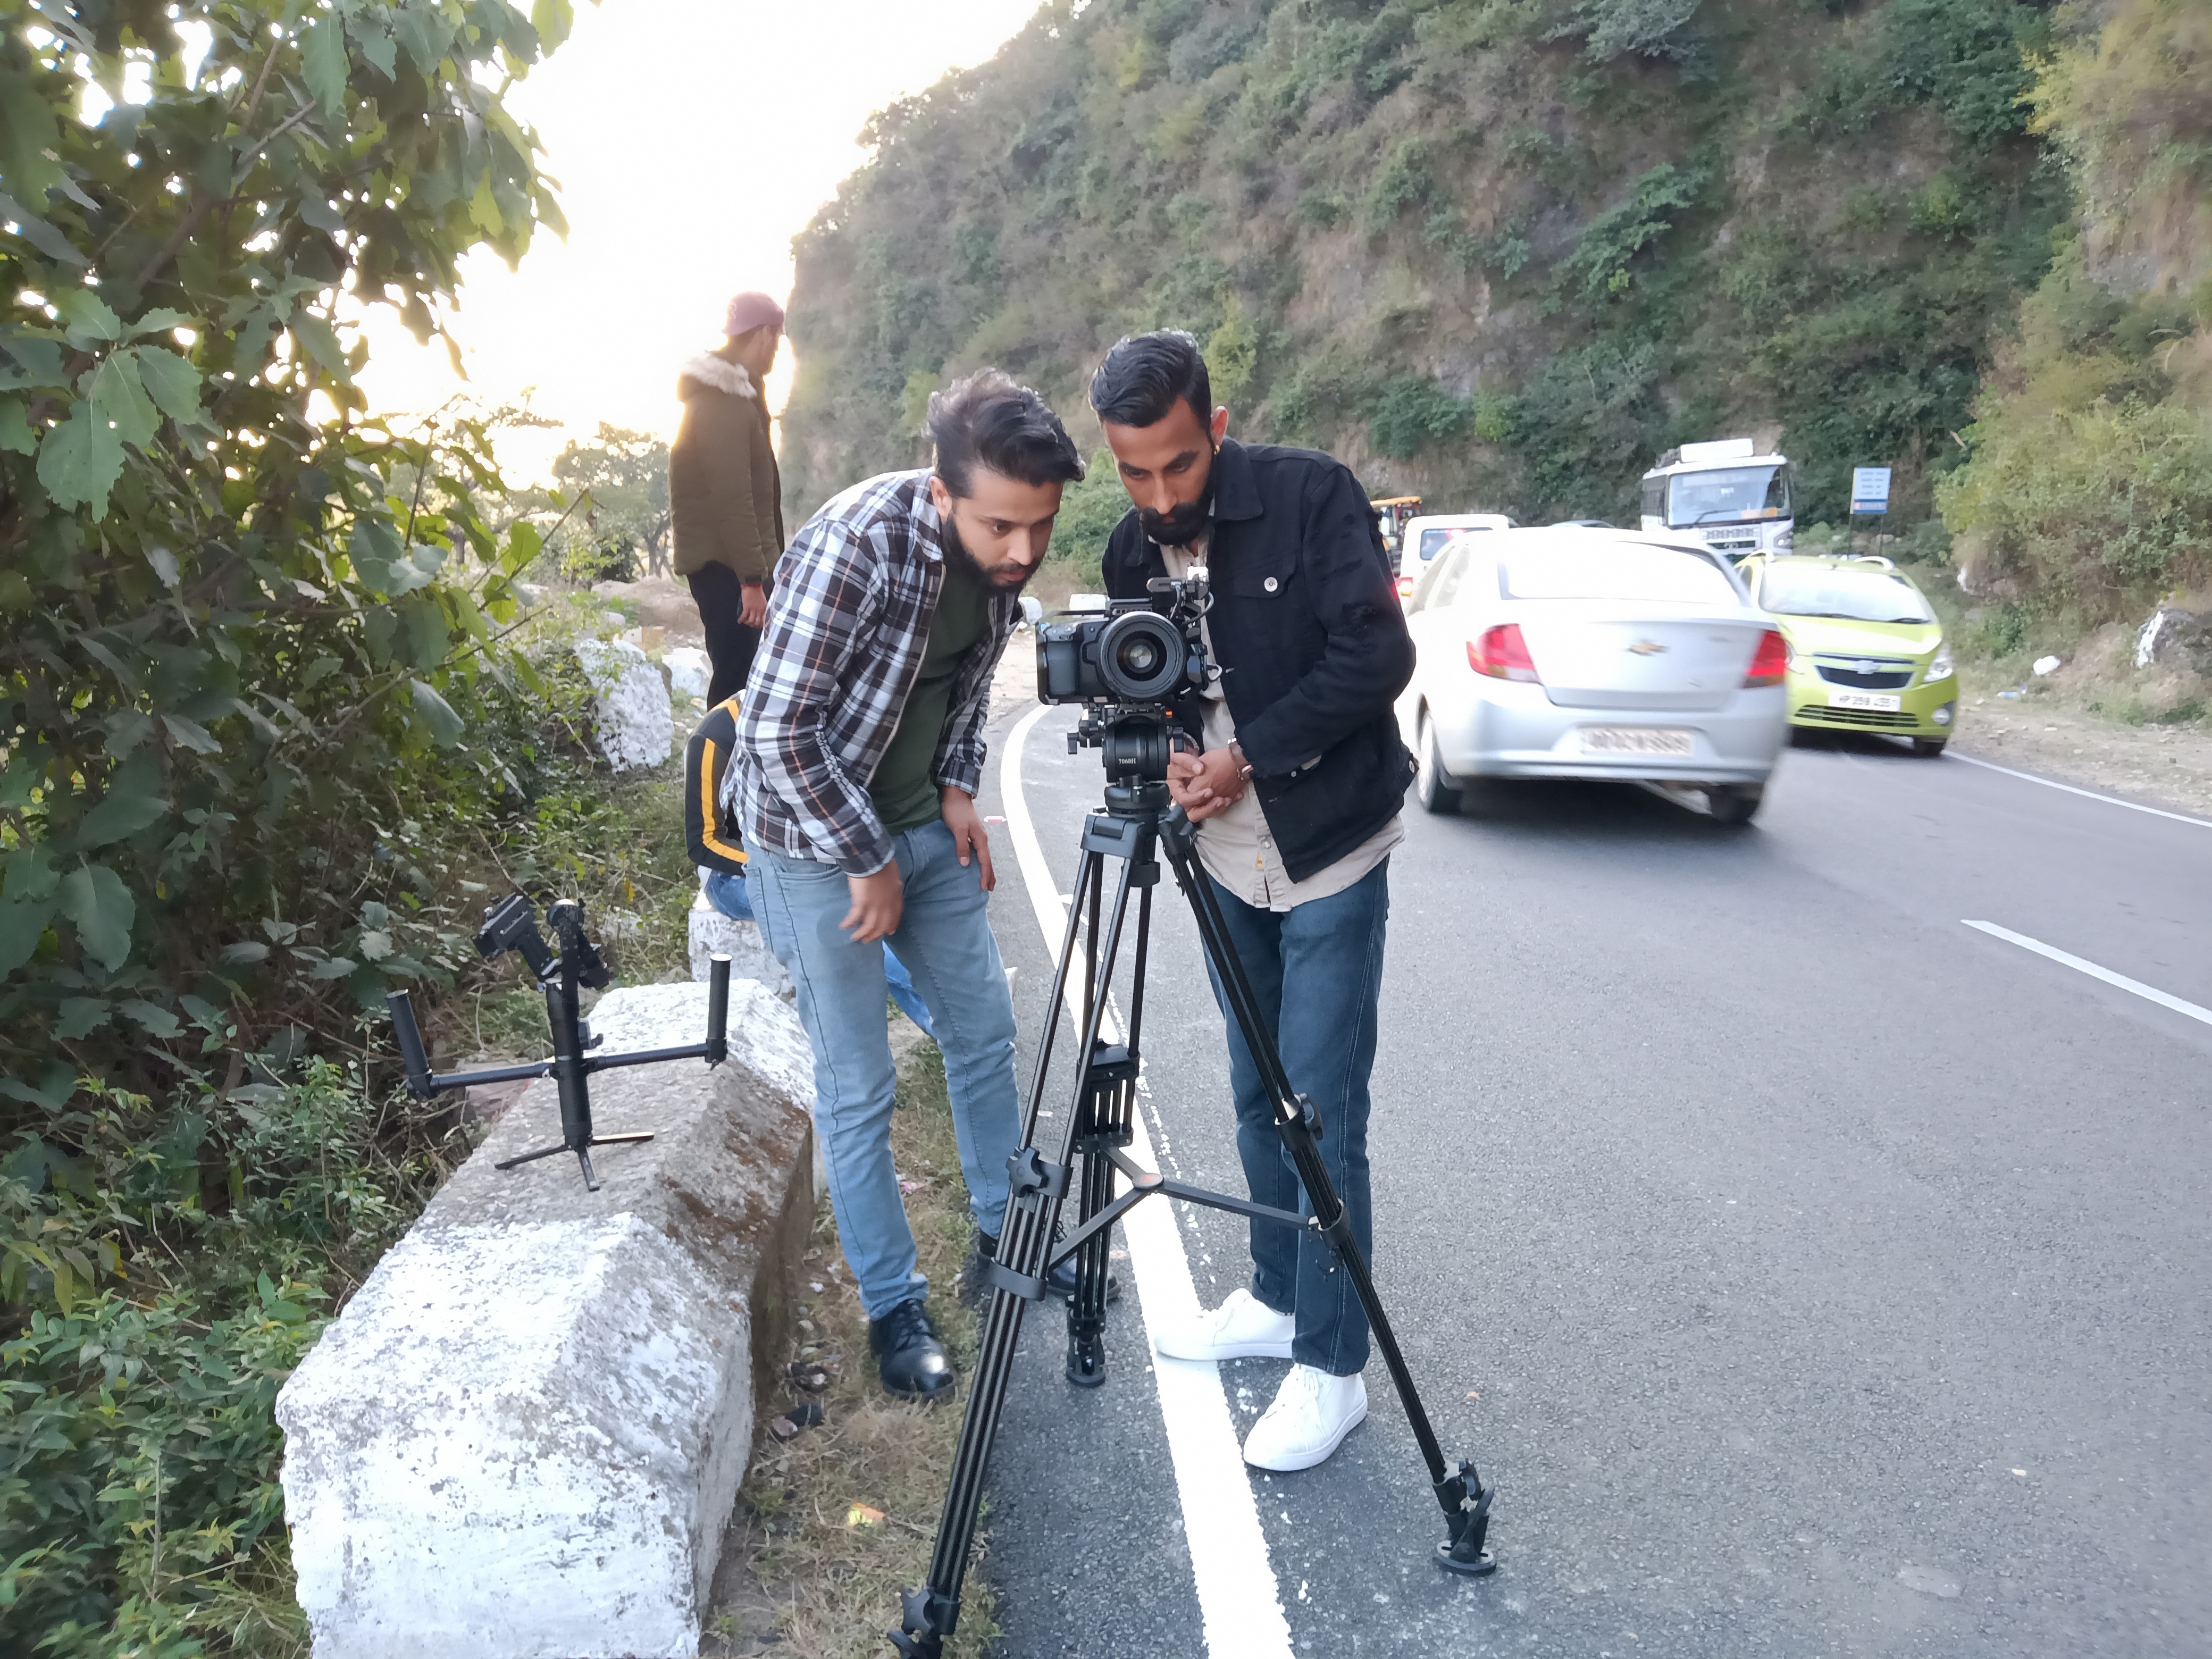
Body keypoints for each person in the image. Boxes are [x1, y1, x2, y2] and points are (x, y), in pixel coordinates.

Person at [1090, 329, 1416, 1472]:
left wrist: (1247, 757)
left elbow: (1376, 657)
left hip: (1330, 846)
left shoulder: (1312, 496)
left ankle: (1333, 1369)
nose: (1159, 495)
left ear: (1217, 429)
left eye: (1179, 463)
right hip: (1223, 853)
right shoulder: (1127, 549)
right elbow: (1154, 686)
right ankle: (1277, 1298)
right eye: (1134, 472)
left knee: (1319, 1106)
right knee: (1252, 1092)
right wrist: (1183, 753)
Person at [729, 370, 1085, 1400]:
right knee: (859, 1084)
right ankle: (895, 1308)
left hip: (926, 827)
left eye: (1041, 526)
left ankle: (1002, 1237)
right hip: (813, 845)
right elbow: (777, 733)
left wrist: (961, 788)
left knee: (982, 1034)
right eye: (1000, 525)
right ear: (941, 492)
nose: (1022, 550)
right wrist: (867, 855)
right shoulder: (858, 547)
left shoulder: (1004, 564)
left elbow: (966, 692)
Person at [684, 692, 934, 1038]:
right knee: (849, 922)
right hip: (731, 877)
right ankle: (948, 1009)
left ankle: (945, 1019)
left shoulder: (813, 721)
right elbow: (703, 842)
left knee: (878, 907)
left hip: (812, 862)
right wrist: (775, 867)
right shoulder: (714, 737)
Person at [672, 292, 785, 707]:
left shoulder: (740, 394)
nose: (777, 349)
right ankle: (717, 753)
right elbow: (732, 497)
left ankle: (738, 751)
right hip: (726, 569)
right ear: (765, 334)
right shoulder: (722, 401)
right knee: (736, 682)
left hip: (736, 565)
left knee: (752, 677)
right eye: (777, 338)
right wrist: (751, 581)